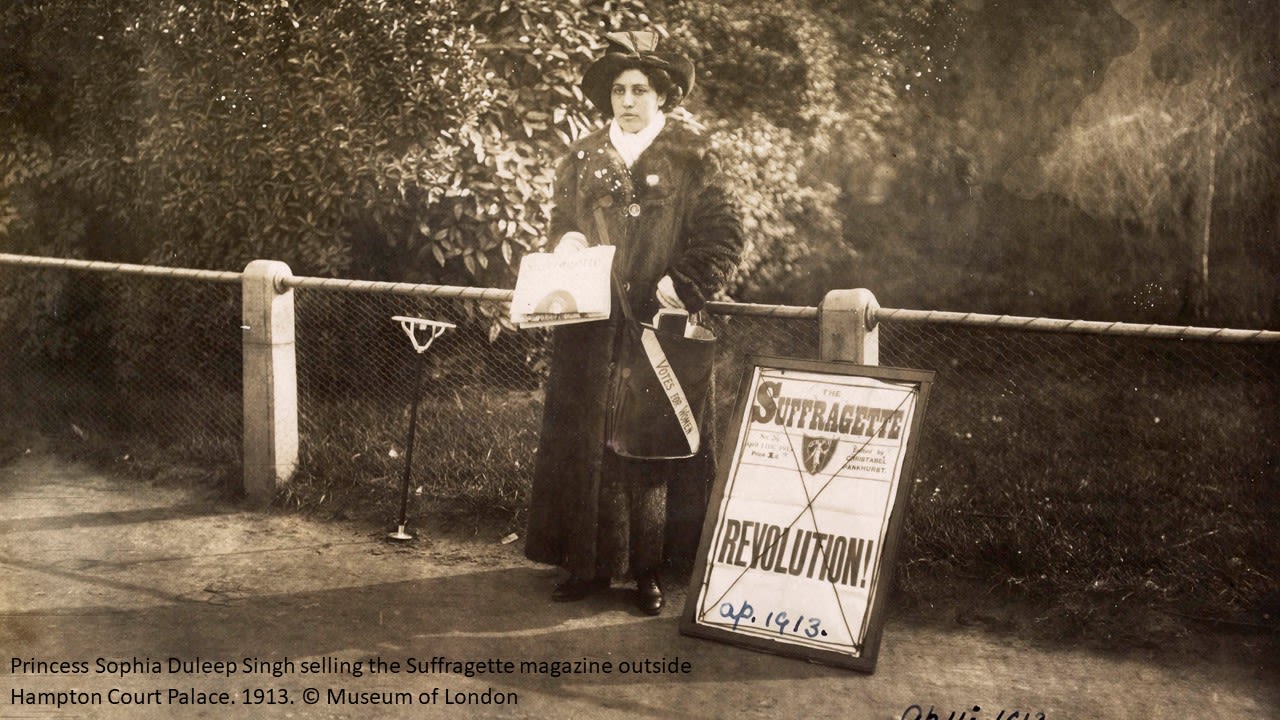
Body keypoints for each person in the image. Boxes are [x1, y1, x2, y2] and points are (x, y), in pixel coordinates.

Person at [523, 30, 744, 615]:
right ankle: (586, 566)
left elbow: (724, 237)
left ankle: (650, 572)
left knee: (653, 446)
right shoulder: (582, 156)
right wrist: (565, 238)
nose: (627, 100)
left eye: (640, 90)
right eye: (618, 90)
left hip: (658, 325)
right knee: (588, 442)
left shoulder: (694, 158)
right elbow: (558, 223)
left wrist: (685, 283)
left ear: (663, 95)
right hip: (590, 328)